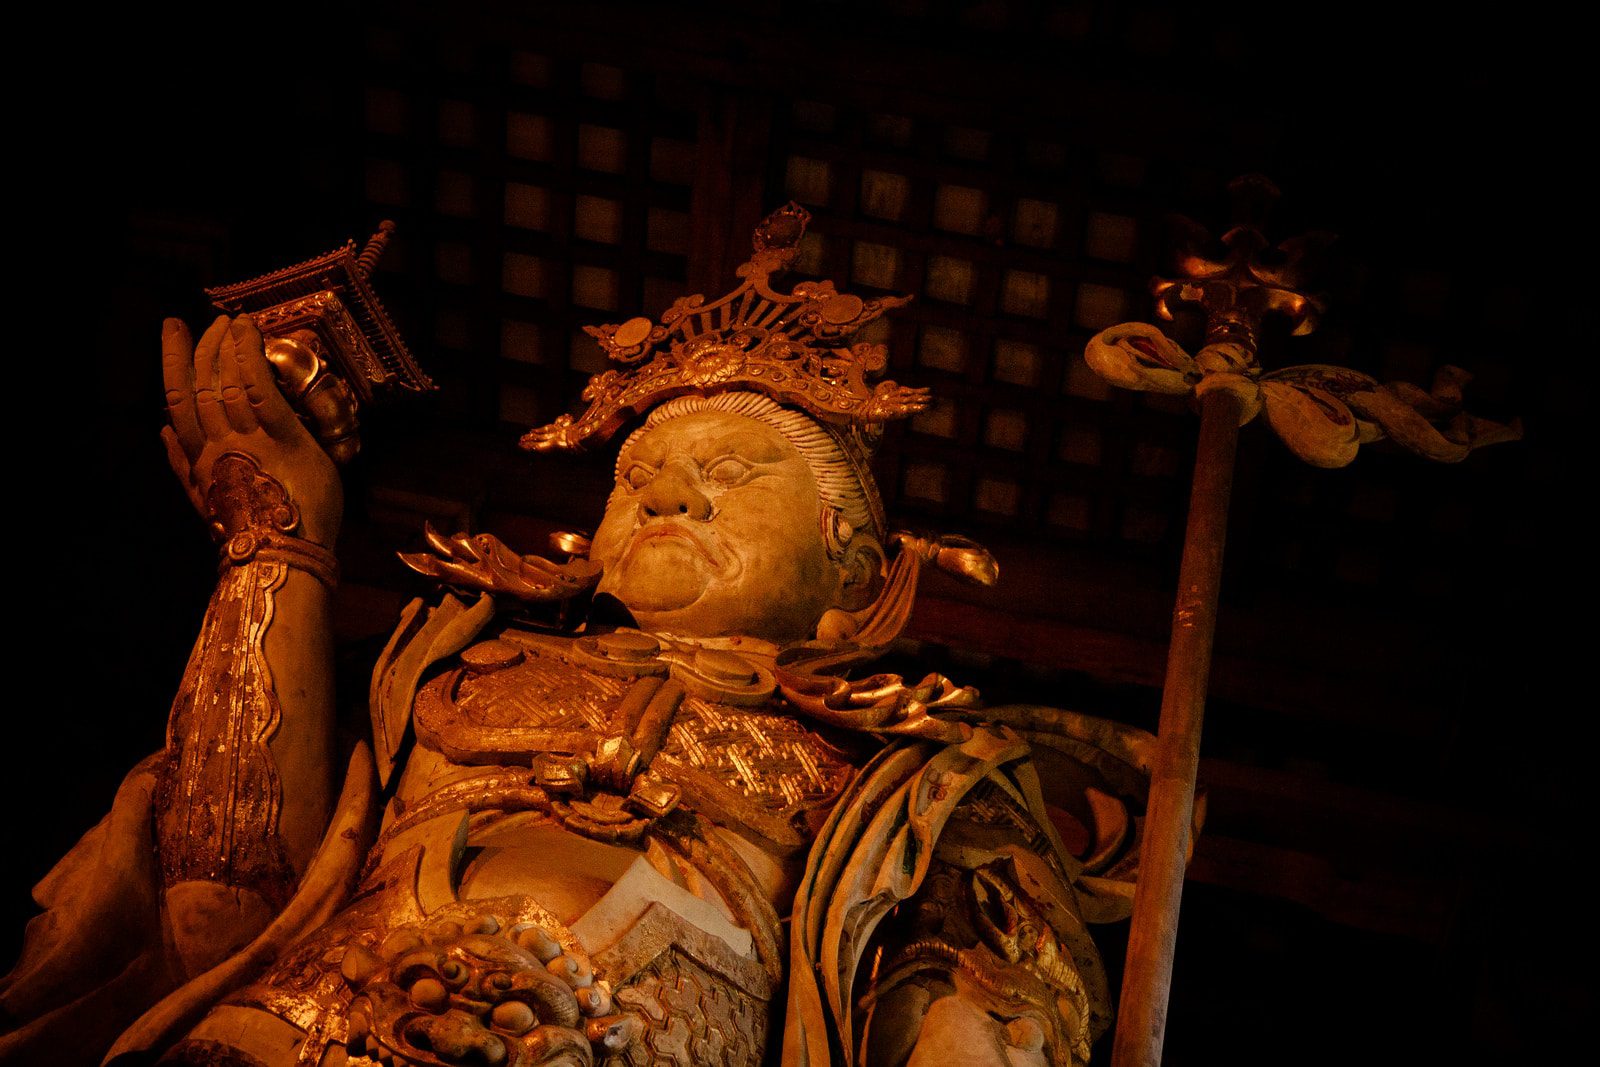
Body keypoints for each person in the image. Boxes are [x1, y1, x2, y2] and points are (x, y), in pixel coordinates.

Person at [1, 205, 1161, 1067]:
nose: (668, 494)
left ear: (848, 563)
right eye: (638, 475)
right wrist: (277, 547)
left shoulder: (903, 782)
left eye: (730, 471)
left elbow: (981, 1004)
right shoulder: (447, 664)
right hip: (305, 1021)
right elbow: (220, 902)